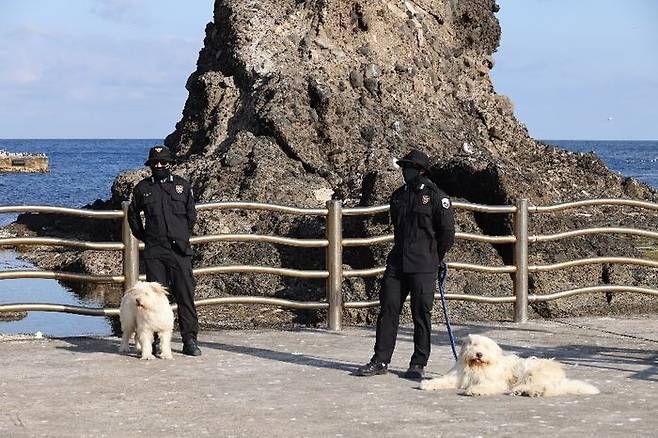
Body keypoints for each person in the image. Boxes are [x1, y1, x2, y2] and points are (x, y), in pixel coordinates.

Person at [357, 149, 455, 379]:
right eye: (403, 167)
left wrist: (434, 258)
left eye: (408, 167)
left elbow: (447, 234)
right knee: (388, 310)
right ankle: (380, 360)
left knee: (421, 314)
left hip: (424, 264)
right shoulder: (398, 196)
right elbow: (397, 228)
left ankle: (418, 363)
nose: (404, 171)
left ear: (420, 170)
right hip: (398, 262)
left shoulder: (437, 197)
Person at [127, 145, 201, 356]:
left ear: (170, 164)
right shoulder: (142, 188)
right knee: (156, 299)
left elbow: (191, 215)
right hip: (155, 251)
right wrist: (145, 237)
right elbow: (133, 215)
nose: (159, 166)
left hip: (180, 250)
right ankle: (159, 342)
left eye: (163, 163)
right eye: (155, 163)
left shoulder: (182, 186)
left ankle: (189, 340)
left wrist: (181, 235)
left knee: (185, 295)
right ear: (150, 165)